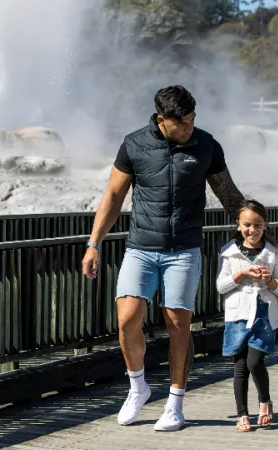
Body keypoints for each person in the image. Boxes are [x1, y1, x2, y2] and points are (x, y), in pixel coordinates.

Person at [81, 85, 246, 432]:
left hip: (183, 251)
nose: (189, 129)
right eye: (182, 124)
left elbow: (228, 194)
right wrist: (94, 243)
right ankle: (138, 386)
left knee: (177, 324)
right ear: (161, 120)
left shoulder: (206, 145)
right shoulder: (134, 144)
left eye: (192, 121)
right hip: (140, 248)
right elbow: (113, 195)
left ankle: (175, 402)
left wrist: (254, 233)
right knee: (126, 319)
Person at [215, 200, 278, 432]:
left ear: (265, 225)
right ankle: (242, 413)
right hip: (238, 314)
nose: (252, 230)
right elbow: (220, 286)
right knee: (240, 366)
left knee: (255, 361)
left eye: (258, 225)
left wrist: (270, 281)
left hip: (263, 314)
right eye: (247, 225)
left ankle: (265, 400)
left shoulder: (273, 253)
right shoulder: (229, 253)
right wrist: (240, 274)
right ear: (238, 225)